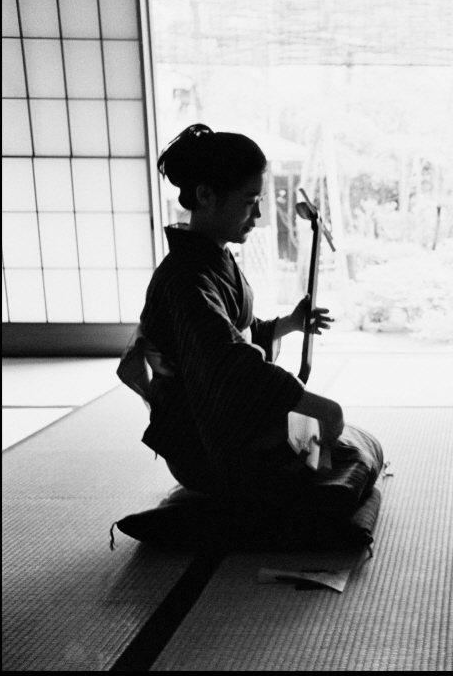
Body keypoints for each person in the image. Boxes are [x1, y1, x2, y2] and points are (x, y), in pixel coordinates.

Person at [121, 124, 381, 506]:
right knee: (327, 421)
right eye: (249, 201)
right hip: (202, 441)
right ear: (206, 196)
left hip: (223, 417)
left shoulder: (212, 260)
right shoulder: (183, 279)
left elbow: (240, 331)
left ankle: (290, 470)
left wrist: (289, 324)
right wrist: (303, 400)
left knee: (324, 427)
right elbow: (228, 360)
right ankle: (271, 481)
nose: (258, 215)